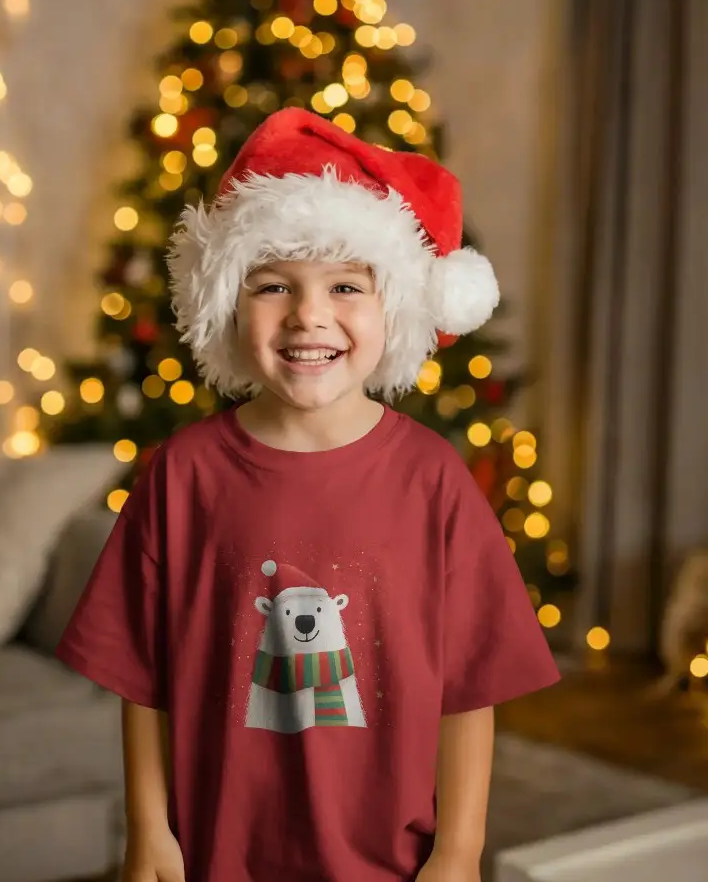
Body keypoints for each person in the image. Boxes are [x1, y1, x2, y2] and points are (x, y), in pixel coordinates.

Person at [56, 108, 561, 882]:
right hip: (215, 858)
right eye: (273, 285)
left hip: (391, 865)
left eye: (346, 285)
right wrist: (149, 832)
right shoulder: (182, 475)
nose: (308, 316)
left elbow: (470, 691)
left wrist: (458, 852)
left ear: (396, 306)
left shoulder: (433, 480)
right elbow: (142, 681)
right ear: (229, 301)